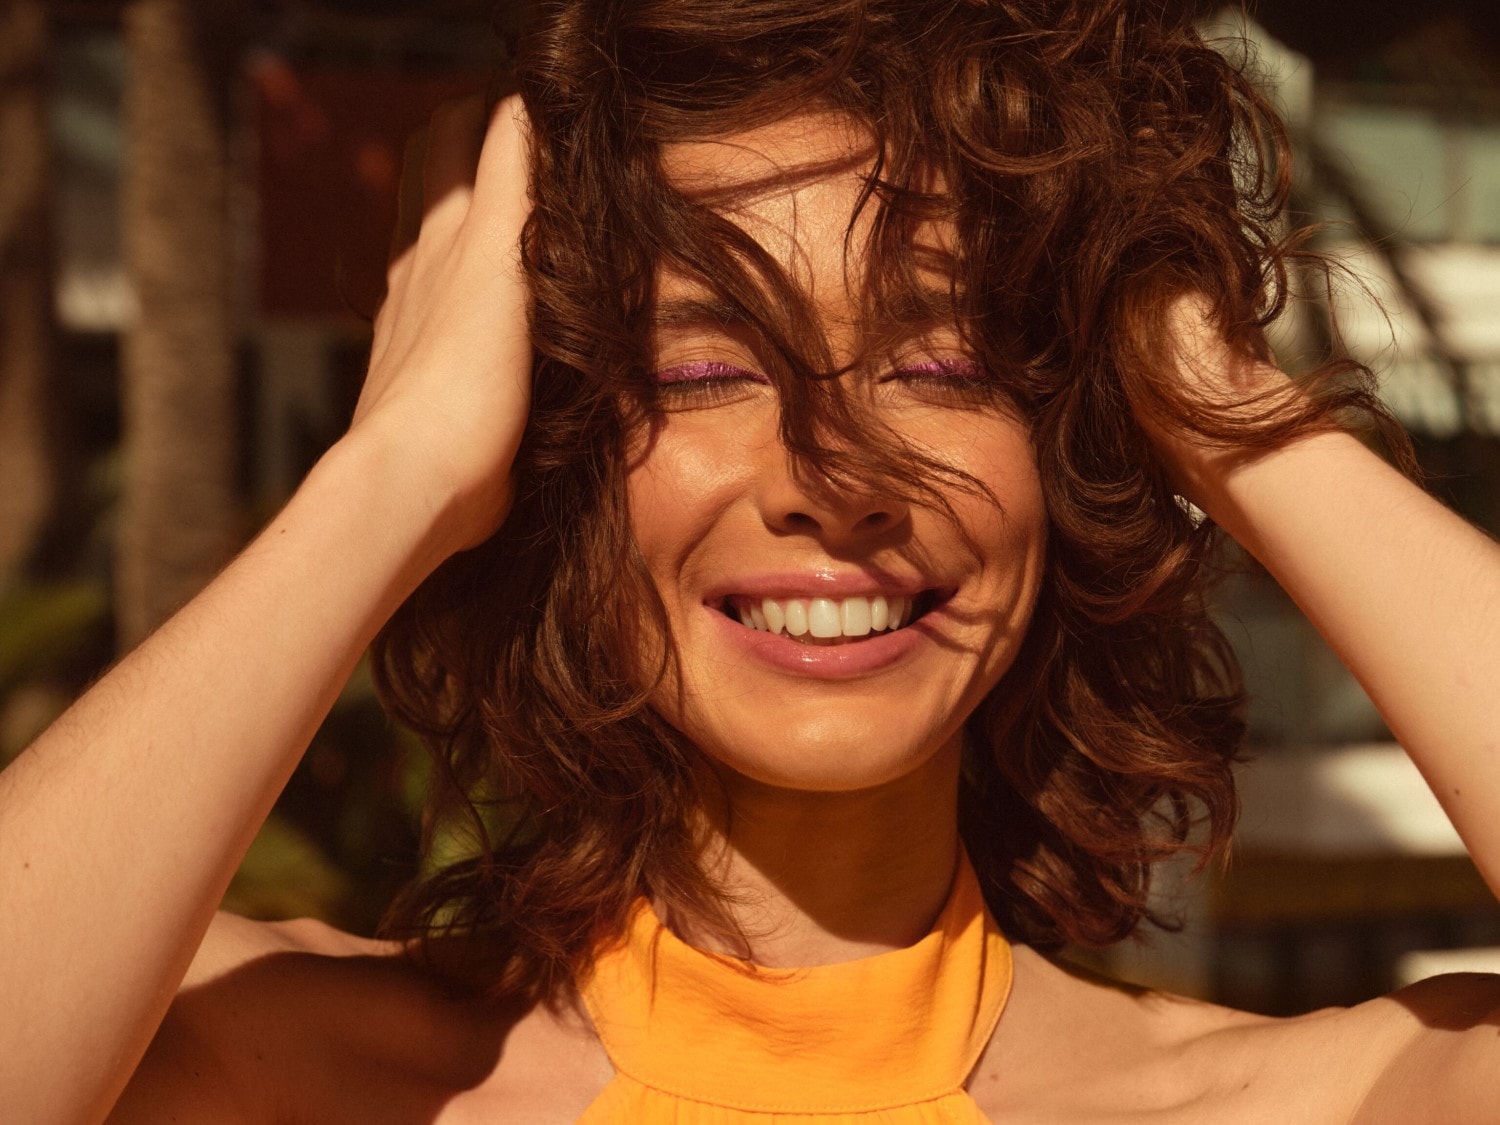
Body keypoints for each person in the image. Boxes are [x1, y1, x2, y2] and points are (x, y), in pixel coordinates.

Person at [5, 0, 1500, 1120]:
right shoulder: (277, 1072)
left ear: (1070, 453)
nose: (833, 479)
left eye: (945, 363)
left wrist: (1225, 410)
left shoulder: (1279, 1103)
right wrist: (396, 463)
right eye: (705, 370)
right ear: (551, 455)